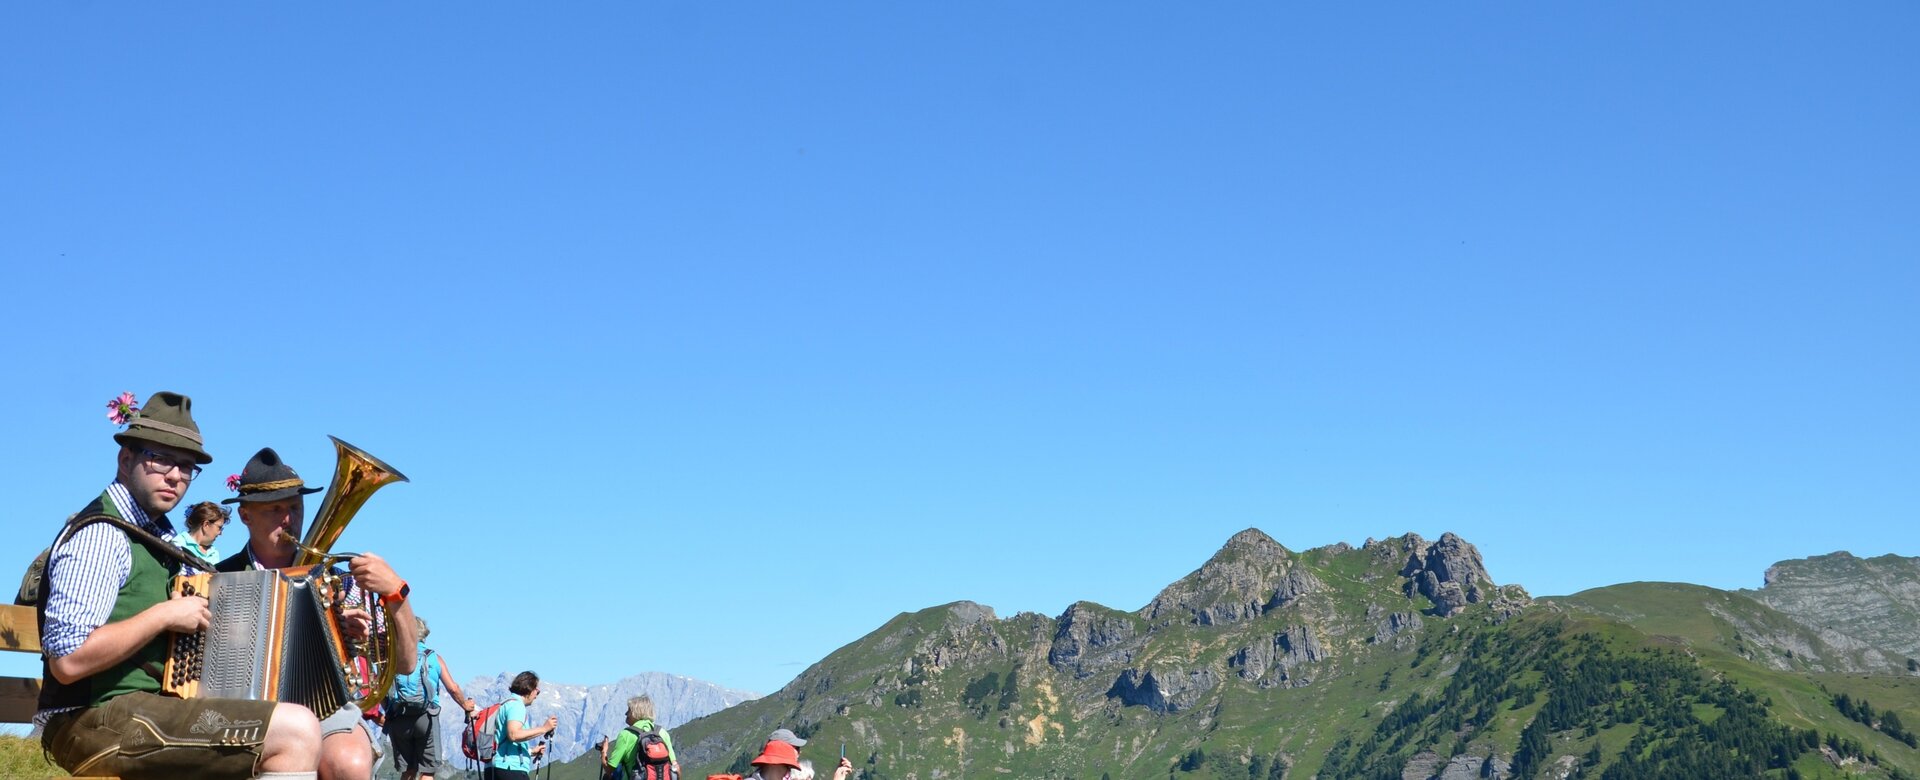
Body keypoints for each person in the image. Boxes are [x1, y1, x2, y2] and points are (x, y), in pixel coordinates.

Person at [35, 391, 324, 779]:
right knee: (295, 733)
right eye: (161, 459)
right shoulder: (102, 536)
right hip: (92, 721)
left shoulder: (159, 539)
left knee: (285, 716)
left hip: (141, 711)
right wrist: (164, 615)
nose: (175, 476)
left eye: (186, 467)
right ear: (126, 460)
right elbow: (68, 662)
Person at [216, 446, 421, 780]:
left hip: (324, 707)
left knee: (350, 764)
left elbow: (406, 663)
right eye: (275, 508)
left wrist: (395, 593)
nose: (289, 519)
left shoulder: (336, 581)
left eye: (295, 507)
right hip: (246, 710)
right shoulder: (218, 578)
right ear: (245, 515)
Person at [383, 615, 476, 780]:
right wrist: (465, 705)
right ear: (423, 635)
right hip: (426, 717)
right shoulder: (433, 657)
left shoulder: (392, 658)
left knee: (408, 771)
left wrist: (390, 711)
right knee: (427, 771)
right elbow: (453, 689)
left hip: (399, 718)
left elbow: (382, 690)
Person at [490, 671, 558, 780]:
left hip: (495, 767)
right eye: (537, 690)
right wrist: (544, 728)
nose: (537, 694)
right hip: (510, 769)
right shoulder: (517, 705)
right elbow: (513, 734)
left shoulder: (505, 704)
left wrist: (530, 751)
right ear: (528, 688)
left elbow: (504, 740)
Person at [602, 695, 676, 779]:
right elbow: (675, 767)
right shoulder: (662, 733)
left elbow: (609, 769)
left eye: (629, 710)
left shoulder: (625, 735)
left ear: (636, 712)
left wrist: (603, 752)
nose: (626, 713)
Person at [173, 500, 228, 570]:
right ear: (206, 525)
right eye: (219, 528)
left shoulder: (213, 553)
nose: (220, 533)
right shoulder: (178, 543)